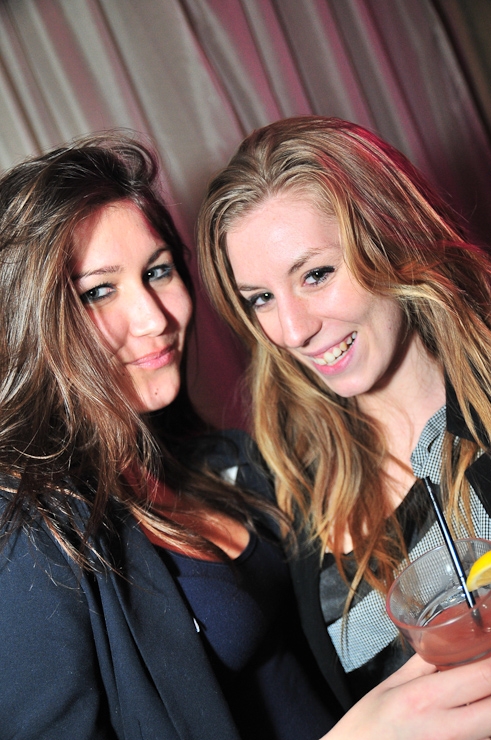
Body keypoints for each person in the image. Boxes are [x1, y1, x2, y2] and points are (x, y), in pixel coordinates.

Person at [1, 132, 491, 740]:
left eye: (158, 272)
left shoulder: (248, 467)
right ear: (33, 318)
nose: (155, 318)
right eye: (98, 291)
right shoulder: (34, 528)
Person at [197, 116, 491, 710]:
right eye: (261, 299)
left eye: (316, 274)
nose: (292, 330)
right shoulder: (296, 489)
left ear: (391, 238)